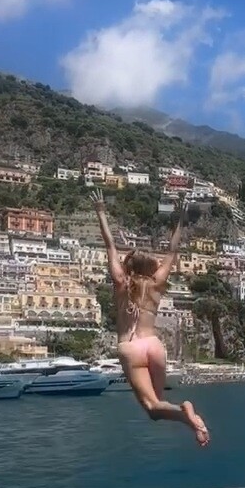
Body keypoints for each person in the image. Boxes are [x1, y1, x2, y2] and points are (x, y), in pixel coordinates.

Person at [91, 190, 209, 446]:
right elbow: (173, 250)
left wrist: (101, 211)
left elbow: (110, 245)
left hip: (131, 346)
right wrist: (180, 220)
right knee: (157, 406)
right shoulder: (157, 283)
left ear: (129, 266)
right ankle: (187, 417)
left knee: (153, 409)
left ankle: (186, 414)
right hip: (154, 346)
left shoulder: (121, 282)